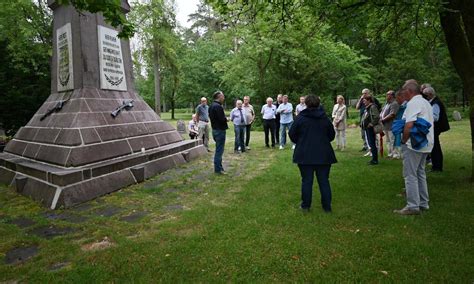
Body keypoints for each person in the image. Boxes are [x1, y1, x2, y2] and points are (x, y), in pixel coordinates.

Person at [289, 95, 337, 213]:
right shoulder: (324, 118)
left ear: (306, 103)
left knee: (306, 181)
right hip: (323, 154)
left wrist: (301, 142)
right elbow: (331, 134)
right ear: (318, 103)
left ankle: (306, 205)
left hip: (305, 154)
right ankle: (327, 206)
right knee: (324, 180)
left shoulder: (300, 118)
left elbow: (292, 134)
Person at [394, 79, 434, 215]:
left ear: (409, 91)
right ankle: (423, 203)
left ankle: (412, 206)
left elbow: (409, 125)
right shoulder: (425, 102)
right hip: (427, 143)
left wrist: (404, 140)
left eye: (404, 90)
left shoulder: (413, 103)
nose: (402, 93)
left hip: (415, 144)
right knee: (420, 173)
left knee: (410, 175)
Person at [423, 86, 450, 172]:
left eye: (426, 95)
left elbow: (435, 117)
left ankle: (437, 167)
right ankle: (436, 165)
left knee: (435, 147)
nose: (425, 97)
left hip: (435, 128)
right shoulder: (432, 102)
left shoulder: (435, 103)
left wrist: (426, 116)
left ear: (430, 94)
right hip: (434, 128)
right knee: (434, 147)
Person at [209, 91, 228, 175]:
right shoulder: (218, 106)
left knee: (219, 149)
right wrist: (227, 119)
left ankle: (220, 167)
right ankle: (218, 169)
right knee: (219, 150)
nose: (223, 98)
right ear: (219, 97)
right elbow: (221, 119)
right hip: (220, 130)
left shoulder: (211, 106)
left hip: (214, 130)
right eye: (223, 96)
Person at [361, 94, 380, 165]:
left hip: (371, 128)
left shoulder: (372, 107)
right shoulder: (368, 107)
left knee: (372, 143)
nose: (363, 102)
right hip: (367, 128)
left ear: (369, 100)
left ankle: (375, 160)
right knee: (370, 143)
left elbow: (377, 117)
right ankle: (373, 159)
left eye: (365, 100)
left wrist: (371, 124)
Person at [380, 90, 400, 158]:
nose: (386, 96)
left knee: (392, 140)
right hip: (386, 125)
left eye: (388, 94)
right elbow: (382, 112)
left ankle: (395, 154)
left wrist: (383, 119)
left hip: (392, 125)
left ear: (392, 95)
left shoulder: (394, 103)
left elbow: (392, 114)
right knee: (388, 140)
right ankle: (390, 153)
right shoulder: (387, 104)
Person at [392, 90, 407, 159]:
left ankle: (400, 154)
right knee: (397, 139)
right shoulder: (402, 104)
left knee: (399, 139)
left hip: (403, 124)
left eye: (397, 98)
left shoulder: (407, 104)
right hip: (398, 124)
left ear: (401, 97)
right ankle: (398, 153)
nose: (396, 100)